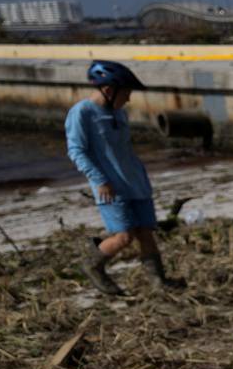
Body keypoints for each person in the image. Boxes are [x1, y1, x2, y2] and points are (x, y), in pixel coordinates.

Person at [67, 59, 180, 296]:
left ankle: (159, 282)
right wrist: (99, 180)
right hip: (110, 187)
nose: (128, 99)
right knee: (124, 236)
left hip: (136, 183)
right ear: (108, 90)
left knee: (146, 233)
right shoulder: (82, 113)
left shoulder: (119, 113)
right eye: (126, 92)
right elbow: (76, 151)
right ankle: (92, 265)